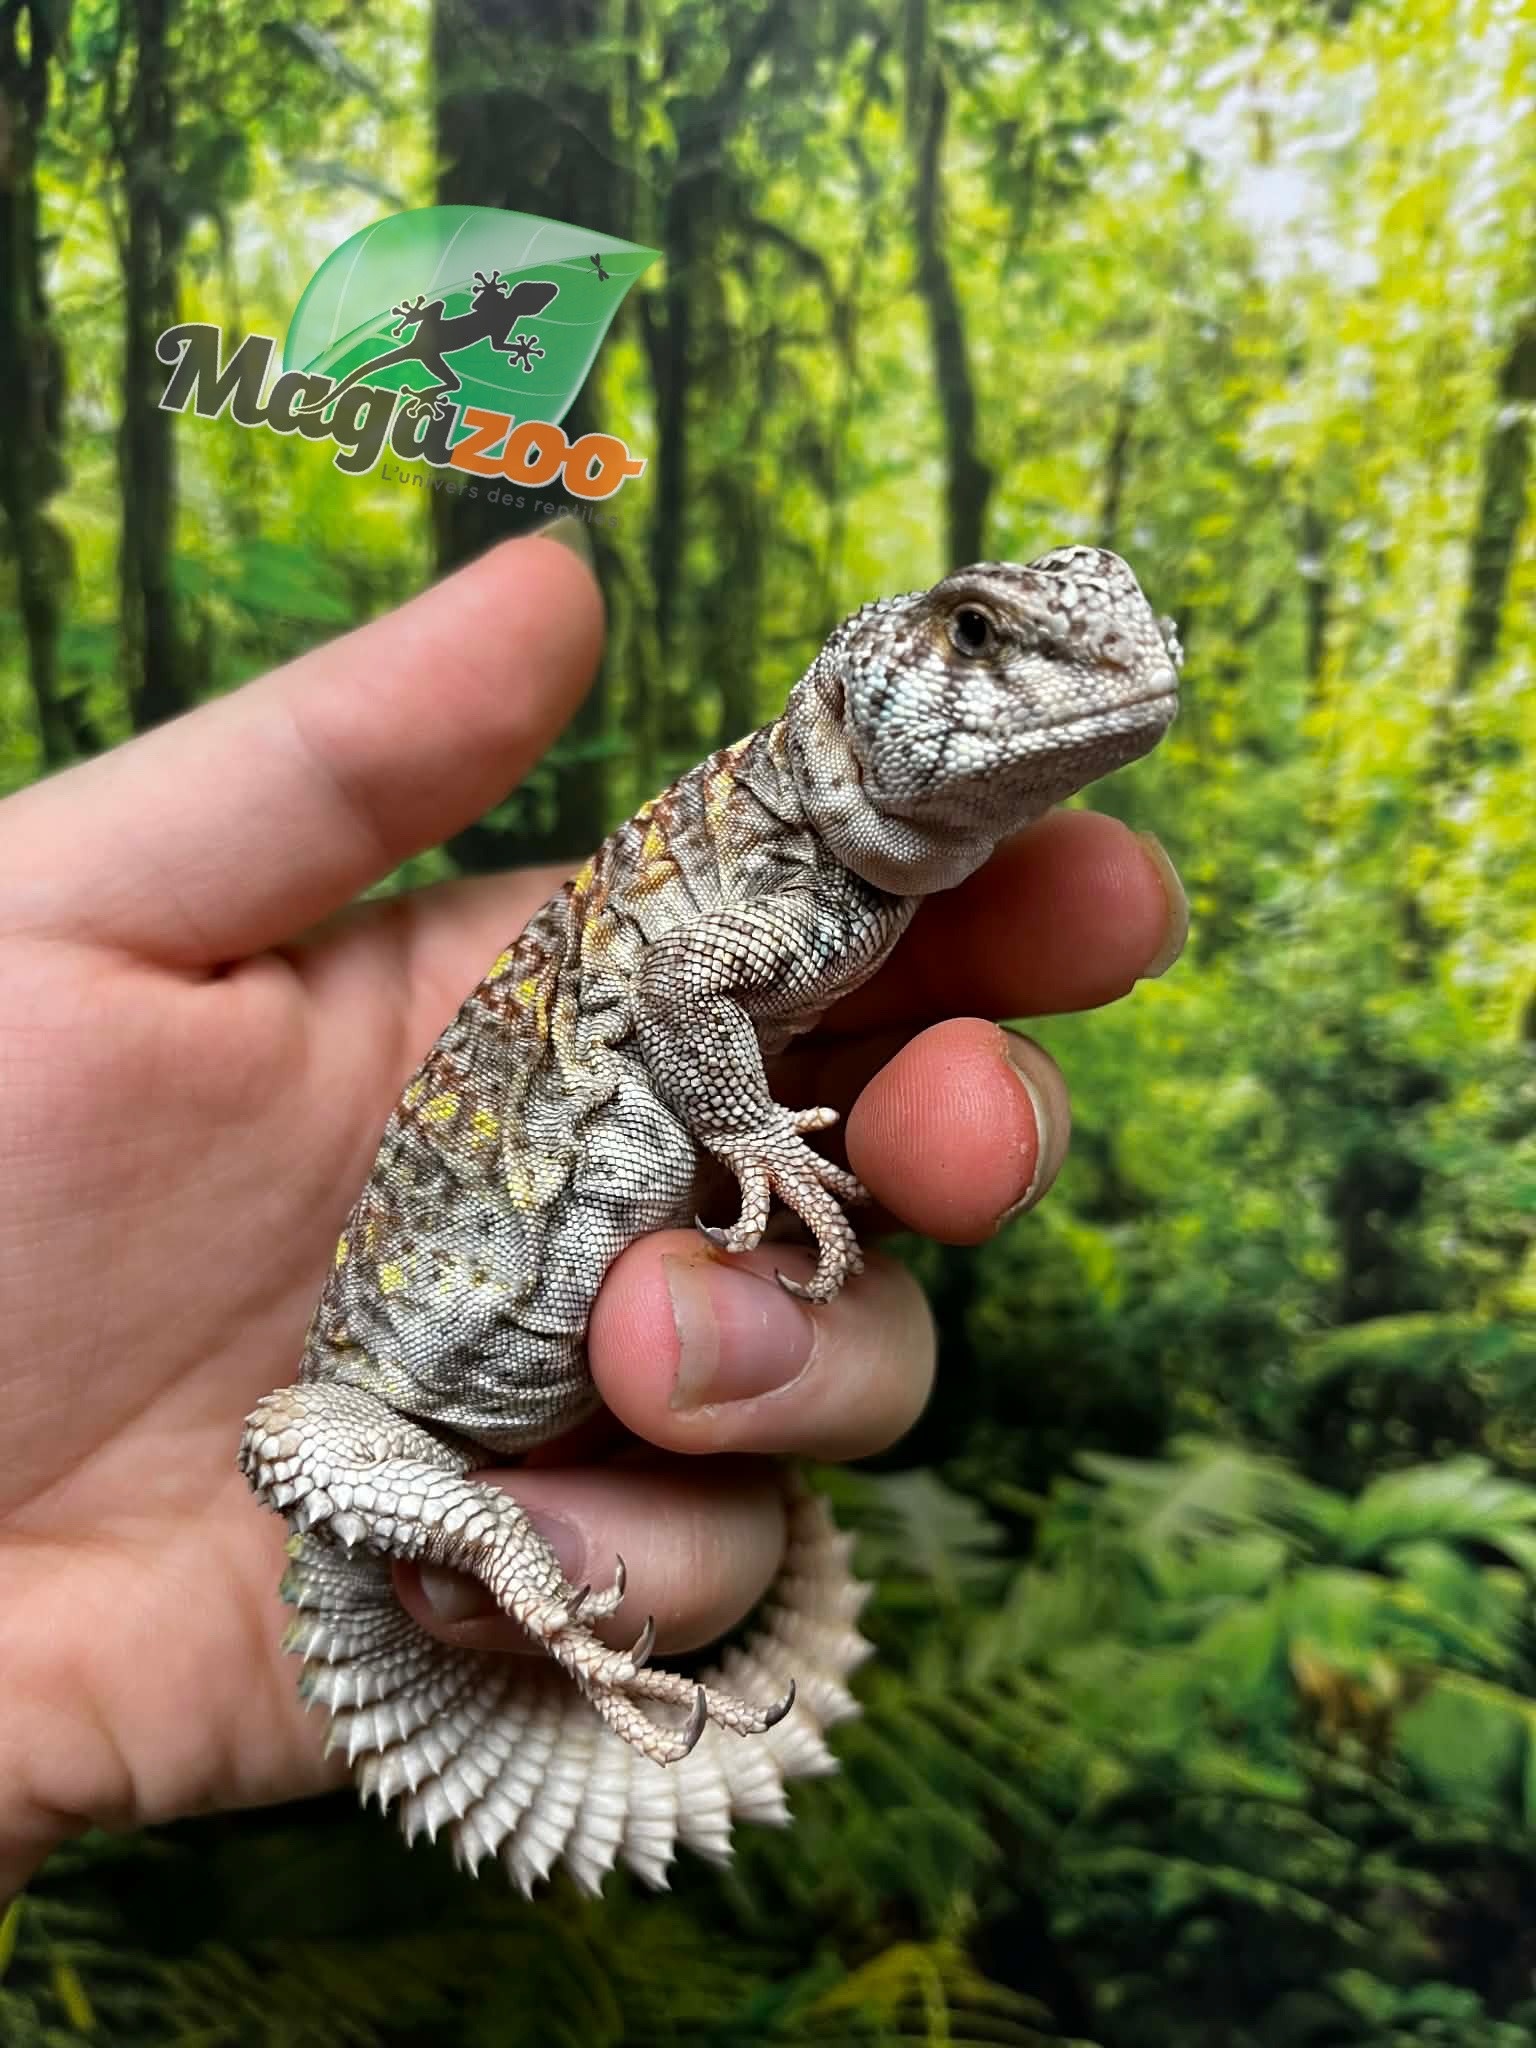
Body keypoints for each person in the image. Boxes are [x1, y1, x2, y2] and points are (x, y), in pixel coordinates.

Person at [0, 528, 1186, 1898]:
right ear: (856, 700)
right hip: (369, 1426)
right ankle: (504, 1535)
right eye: (978, 638)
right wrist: (745, 1129)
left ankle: (531, 1531)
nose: (1112, 663)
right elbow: (684, 984)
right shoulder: (787, 886)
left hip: (497, 1429)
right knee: (303, 1433)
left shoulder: (850, 887)